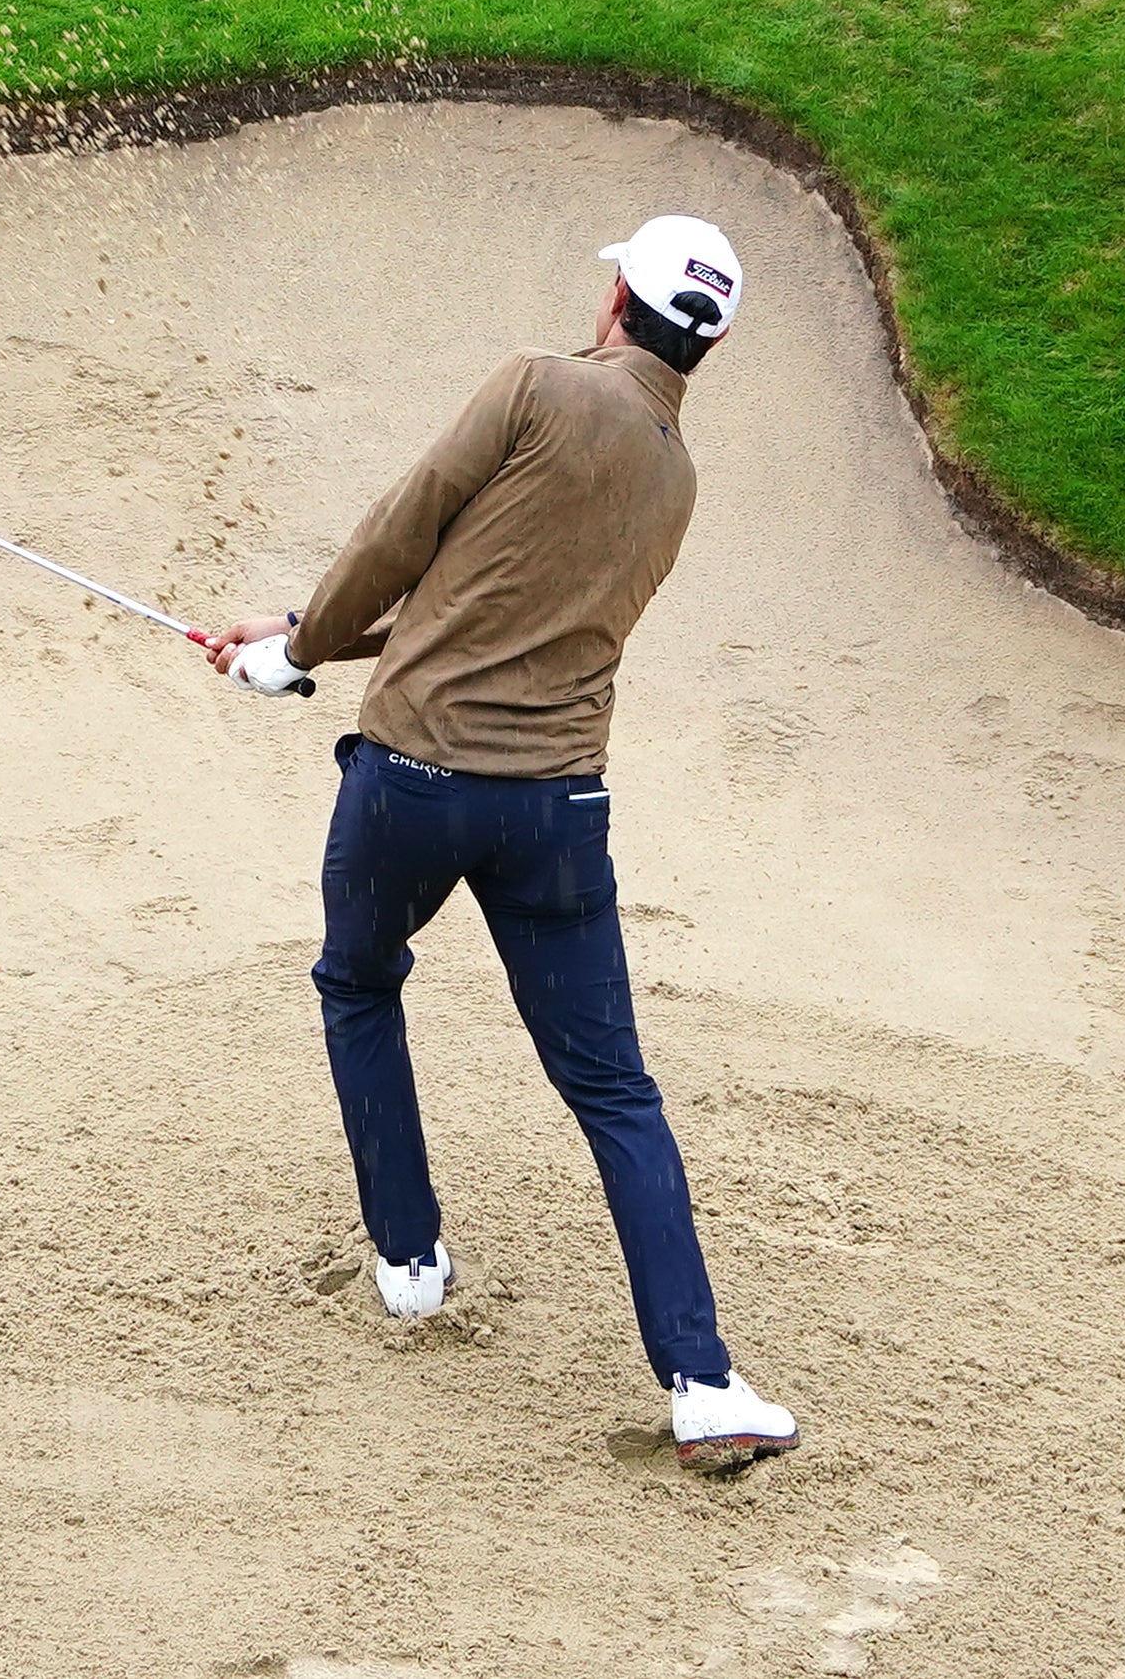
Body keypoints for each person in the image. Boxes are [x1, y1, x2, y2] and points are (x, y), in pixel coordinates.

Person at [202, 215, 799, 1472]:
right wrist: (301, 623)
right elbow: (493, 599)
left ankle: (409, 1259)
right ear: (712, 337)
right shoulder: (676, 479)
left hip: (410, 784)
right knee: (616, 1088)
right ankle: (703, 1381)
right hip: (556, 815)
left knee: (360, 983)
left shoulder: (534, 384)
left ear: (616, 302)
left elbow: (405, 533)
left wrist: (298, 654)